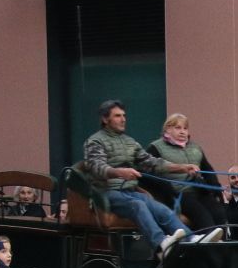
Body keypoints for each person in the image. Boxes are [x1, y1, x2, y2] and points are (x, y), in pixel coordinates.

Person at [77, 100, 196, 254]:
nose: (123, 119)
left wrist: (182, 167)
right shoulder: (95, 141)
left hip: (130, 191)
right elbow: (96, 167)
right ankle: (161, 244)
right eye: (117, 116)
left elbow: (151, 162)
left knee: (162, 210)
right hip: (107, 192)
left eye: (124, 115)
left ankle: (191, 240)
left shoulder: (129, 142)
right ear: (105, 119)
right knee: (137, 206)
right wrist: (120, 172)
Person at [149, 113, 226, 231]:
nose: (182, 132)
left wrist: (216, 191)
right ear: (168, 129)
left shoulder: (195, 148)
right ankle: (208, 247)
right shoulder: (156, 147)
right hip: (179, 194)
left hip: (199, 190)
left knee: (219, 213)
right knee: (204, 218)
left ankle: (221, 246)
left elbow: (208, 170)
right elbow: (149, 172)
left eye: (185, 128)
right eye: (177, 128)